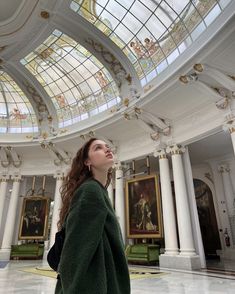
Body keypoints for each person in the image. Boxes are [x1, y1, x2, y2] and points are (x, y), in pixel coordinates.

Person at [55, 138, 130, 294]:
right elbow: (76, 248)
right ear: (87, 161)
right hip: (92, 283)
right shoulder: (90, 190)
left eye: (107, 146)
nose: (107, 149)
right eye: (98, 148)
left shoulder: (98, 190)